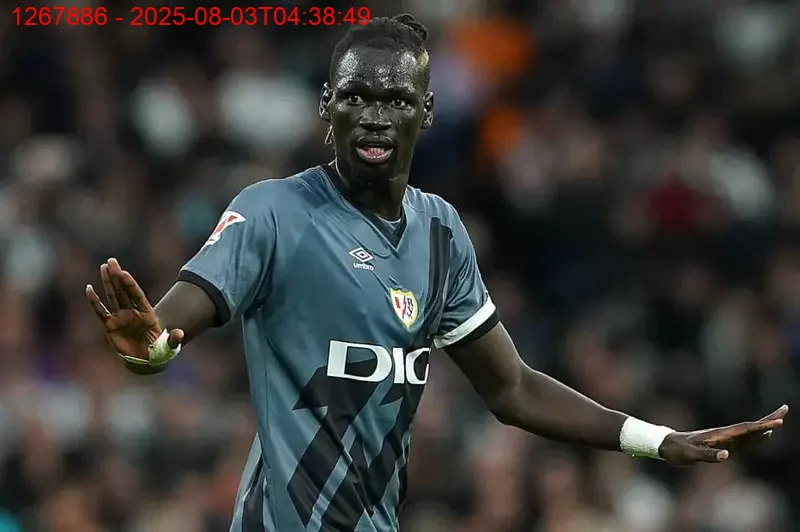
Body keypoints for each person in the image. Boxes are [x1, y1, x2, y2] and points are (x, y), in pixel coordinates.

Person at [85, 14, 788, 532]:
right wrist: (150, 348)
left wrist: (660, 441)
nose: (374, 116)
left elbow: (512, 388)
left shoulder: (441, 232)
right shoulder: (275, 212)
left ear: (425, 111)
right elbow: (177, 318)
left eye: (395, 100)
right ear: (327, 106)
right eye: (356, 96)